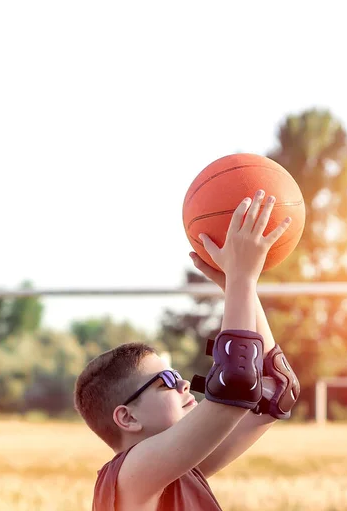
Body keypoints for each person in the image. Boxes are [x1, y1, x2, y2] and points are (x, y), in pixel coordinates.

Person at [74, 190, 300, 511]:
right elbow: (235, 386)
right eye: (166, 380)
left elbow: (276, 391)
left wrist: (237, 286)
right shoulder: (133, 474)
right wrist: (240, 278)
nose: (182, 384)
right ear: (127, 417)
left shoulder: (181, 469)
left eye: (176, 375)